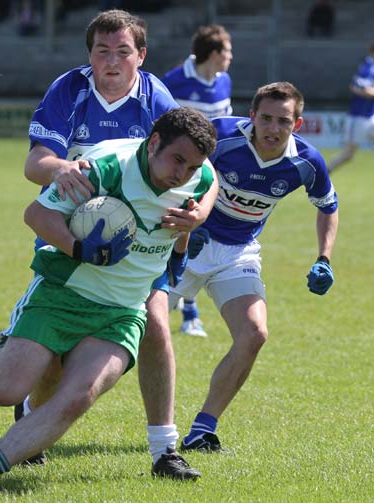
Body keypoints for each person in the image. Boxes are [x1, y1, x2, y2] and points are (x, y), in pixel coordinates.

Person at [0, 9, 217, 476]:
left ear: (141, 55)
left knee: (158, 324)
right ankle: (16, 373)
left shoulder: (154, 97)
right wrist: (64, 169)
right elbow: (35, 162)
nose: (113, 61)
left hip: (141, 236)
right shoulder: (70, 90)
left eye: (124, 51)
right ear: (90, 56)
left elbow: (198, 166)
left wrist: (197, 213)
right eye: (103, 51)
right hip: (75, 223)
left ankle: (165, 450)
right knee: (52, 357)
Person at [166, 82, 339, 452]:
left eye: (283, 121)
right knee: (125, 335)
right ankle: (41, 406)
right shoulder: (221, 136)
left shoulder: (307, 162)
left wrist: (323, 257)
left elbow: (327, 206)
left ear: (298, 123)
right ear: (252, 117)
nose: (273, 129)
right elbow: (173, 172)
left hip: (237, 253)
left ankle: (201, 430)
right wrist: (187, 221)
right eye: (266, 119)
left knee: (254, 333)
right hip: (183, 245)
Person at [162, 24, 233, 337]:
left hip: (208, 174)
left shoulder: (224, 81)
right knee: (174, 234)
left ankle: (190, 313)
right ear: (215, 53)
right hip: (176, 173)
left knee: (197, 237)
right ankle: (179, 306)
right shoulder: (175, 80)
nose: (231, 57)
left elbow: (224, 126)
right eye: (228, 51)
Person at [327, 40, 374, 173]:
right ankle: (322, 174)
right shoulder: (368, 67)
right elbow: (362, 89)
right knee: (347, 155)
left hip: (369, 116)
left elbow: (355, 86)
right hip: (358, 118)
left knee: (348, 155)